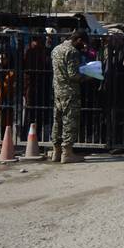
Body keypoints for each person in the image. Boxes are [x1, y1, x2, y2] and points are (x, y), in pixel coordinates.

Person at [50, 30, 84, 163]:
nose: (84, 47)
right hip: (70, 92)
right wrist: (87, 76)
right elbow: (73, 75)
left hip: (58, 90)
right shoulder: (72, 52)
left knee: (57, 121)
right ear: (79, 40)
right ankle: (67, 153)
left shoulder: (56, 49)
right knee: (69, 121)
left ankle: (56, 152)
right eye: (84, 44)